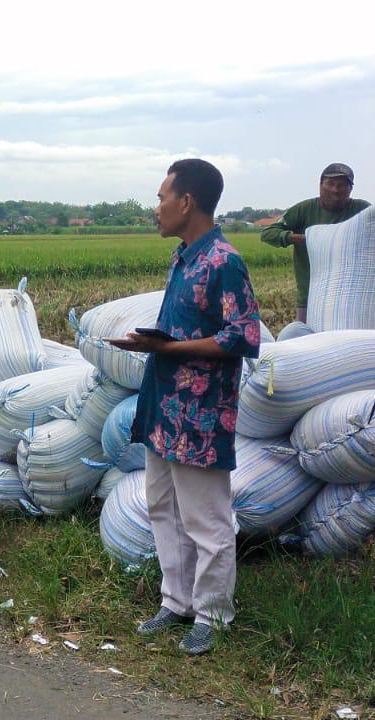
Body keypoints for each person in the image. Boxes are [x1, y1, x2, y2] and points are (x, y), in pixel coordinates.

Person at [111, 159, 261, 656]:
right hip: (164, 408)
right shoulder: (183, 257)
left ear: (186, 201)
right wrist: (156, 345)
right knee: (162, 507)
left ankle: (213, 613)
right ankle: (176, 602)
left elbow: (243, 337)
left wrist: (164, 349)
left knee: (206, 517)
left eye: (161, 198)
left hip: (200, 415)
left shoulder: (224, 261)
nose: (156, 208)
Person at [260, 163, 375, 332]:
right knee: (306, 342)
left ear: (350, 189)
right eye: (330, 184)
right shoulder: (304, 210)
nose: (335, 190)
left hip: (351, 297)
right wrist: (296, 238)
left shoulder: (361, 209)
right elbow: (268, 233)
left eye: (341, 185)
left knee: (350, 342)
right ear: (320, 185)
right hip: (310, 296)